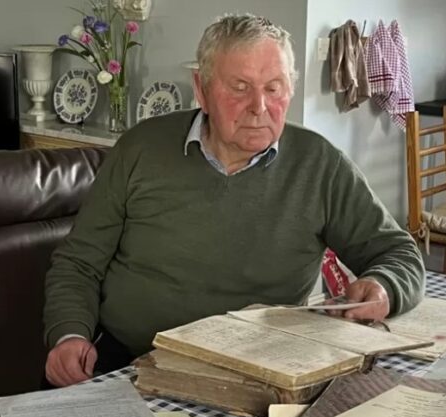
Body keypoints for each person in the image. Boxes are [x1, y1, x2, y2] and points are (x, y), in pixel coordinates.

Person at [43, 13, 425, 387]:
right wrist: (69, 335)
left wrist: (384, 286)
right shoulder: (140, 149)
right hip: (131, 360)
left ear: (289, 90)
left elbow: (397, 253)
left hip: (260, 374)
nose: (259, 106)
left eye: (273, 87)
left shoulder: (321, 164)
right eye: (240, 87)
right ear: (202, 89)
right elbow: (78, 263)